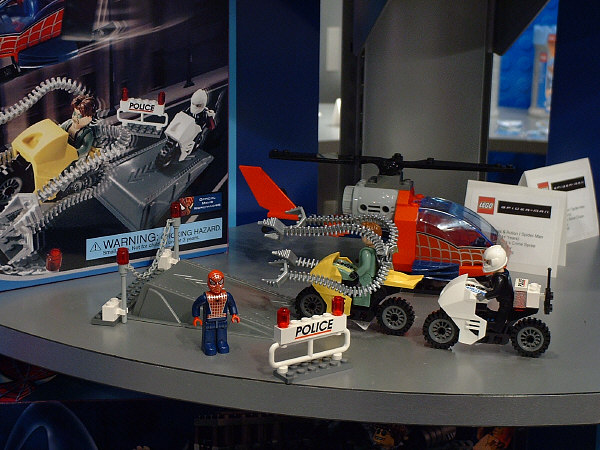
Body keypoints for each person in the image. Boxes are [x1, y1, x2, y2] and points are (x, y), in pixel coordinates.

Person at [192, 269, 240, 356]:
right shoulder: (205, 297)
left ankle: (222, 343)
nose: (217, 286)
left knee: (222, 334)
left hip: (222, 319)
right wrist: (196, 317)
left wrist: (234, 314)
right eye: (213, 283)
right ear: (208, 283)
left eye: (220, 283)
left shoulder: (226, 295)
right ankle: (208, 344)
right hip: (209, 321)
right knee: (209, 335)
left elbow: (232, 304)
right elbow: (196, 305)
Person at [477, 245, 513, 332]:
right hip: (505, 299)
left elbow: (496, 292)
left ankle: (497, 329)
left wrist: (485, 296)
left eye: (488, 262)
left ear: (496, 262)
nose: (486, 264)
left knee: (502, 314)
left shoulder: (500, 278)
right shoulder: (503, 273)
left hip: (506, 302)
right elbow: (493, 282)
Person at [60, 94, 97, 159]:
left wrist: (75, 153)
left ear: (89, 118)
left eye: (79, 116)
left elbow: (85, 148)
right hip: (62, 149)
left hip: (74, 158)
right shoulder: (68, 124)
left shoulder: (87, 133)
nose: (75, 117)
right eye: (74, 113)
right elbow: (59, 130)